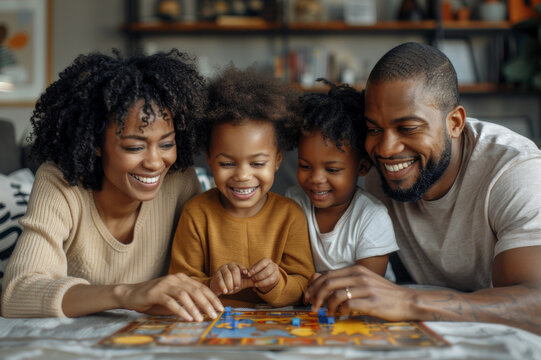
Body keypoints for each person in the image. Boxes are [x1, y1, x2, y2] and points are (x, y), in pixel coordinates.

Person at [305, 42, 541, 335]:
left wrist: (408, 301)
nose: (386, 149)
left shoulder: (514, 172)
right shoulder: (377, 172)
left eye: (407, 128)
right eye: (375, 129)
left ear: (455, 123)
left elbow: (535, 306)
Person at [0, 50, 224, 321]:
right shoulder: (60, 183)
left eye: (166, 144)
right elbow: (16, 294)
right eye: (134, 146)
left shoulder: (179, 180)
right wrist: (126, 295)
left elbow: (210, 267)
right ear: (95, 144)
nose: (155, 162)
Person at [169, 66, 315, 308]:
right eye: (227, 163)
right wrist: (212, 285)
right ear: (208, 158)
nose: (243, 176)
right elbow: (179, 285)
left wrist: (276, 283)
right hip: (212, 328)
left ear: (278, 159)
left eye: (257, 163)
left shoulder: (290, 215)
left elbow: (303, 286)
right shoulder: (196, 213)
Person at [285, 79, 398, 285]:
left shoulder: (371, 217)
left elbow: (368, 286)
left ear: (362, 167)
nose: (316, 179)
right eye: (305, 166)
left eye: (332, 169)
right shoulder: (292, 202)